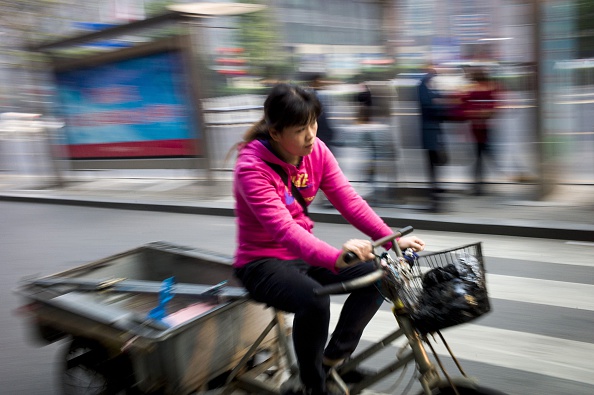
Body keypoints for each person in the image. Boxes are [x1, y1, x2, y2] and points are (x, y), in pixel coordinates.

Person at [232, 83, 425, 395]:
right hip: (261, 263)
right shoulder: (251, 169)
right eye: (300, 129)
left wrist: (389, 240)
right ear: (276, 132)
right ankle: (312, 385)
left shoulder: (316, 151)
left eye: (313, 123)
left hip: (302, 254)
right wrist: (336, 257)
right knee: (314, 301)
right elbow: (284, 230)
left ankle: (331, 359)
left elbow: (349, 201)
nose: (311, 134)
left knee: (381, 275)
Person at [463, 67, 498, 195]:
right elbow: (491, 108)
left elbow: (467, 108)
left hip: (479, 128)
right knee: (481, 155)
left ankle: (478, 185)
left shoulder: (474, 91)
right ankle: (479, 185)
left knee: (480, 156)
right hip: (482, 128)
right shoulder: (487, 90)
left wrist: (477, 113)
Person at [418, 68, 448, 212]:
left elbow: (441, 107)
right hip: (429, 133)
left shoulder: (431, 90)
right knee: (431, 163)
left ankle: (435, 190)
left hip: (434, 132)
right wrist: (438, 104)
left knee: (435, 163)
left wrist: (438, 103)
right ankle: (434, 194)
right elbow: (432, 107)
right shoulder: (423, 88)